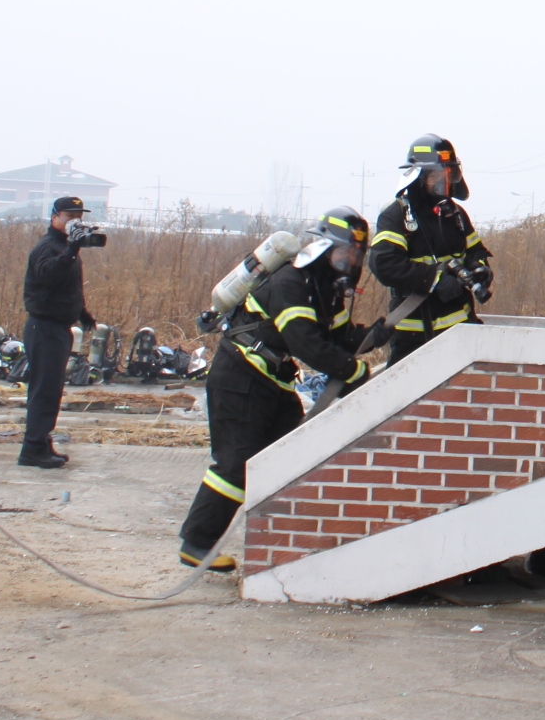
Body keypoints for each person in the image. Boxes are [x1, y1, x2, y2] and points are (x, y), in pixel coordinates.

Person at [177, 208, 372, 571]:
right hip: (239, 377)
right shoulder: (291, 282)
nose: (351, 261)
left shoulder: (326, 287)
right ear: (325, 246)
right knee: (236, 464)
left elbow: (339, 336)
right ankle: (197, 543)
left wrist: (377, 334)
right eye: (346, 251)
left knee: (287, 456)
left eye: (357, 254)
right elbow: (306, 343)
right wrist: (354, 371)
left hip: (273, 380)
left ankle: (282, 540)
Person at [369, 134, 493, 362]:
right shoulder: (397, 216)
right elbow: (384, 264)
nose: (443, 181)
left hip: (459, 330)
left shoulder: (455, 215)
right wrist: (434, 279)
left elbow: (476, 251)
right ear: (418, 176)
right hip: (413, 335)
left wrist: (480, 268)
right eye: (436, 175)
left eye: (448, 174)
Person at [18, 195, 102, 468]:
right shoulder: (48, 247)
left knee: (52, 390)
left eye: (79, 216)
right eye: (69, 216)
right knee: (44, 390)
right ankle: (32, 448)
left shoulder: (66, 248)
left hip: (59, 328)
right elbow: (48, 275)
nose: (74, 221)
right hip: (44, 327)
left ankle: (42, 443)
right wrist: (71, 249)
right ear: (54, 217)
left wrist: (82, 314)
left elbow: (67, 286)